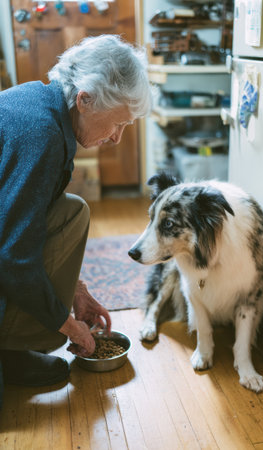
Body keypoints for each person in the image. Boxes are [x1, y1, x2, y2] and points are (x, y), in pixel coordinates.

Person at [0, 34, 153, 406]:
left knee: (72, 211)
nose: (117, 138)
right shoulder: (41, 133)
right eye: (117, 124)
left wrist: (78, 292)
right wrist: (67, 325)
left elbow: (29, 223)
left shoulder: (50, 110)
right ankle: (9, 348)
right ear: (85, 99)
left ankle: (10, 351)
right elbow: (13, 257)